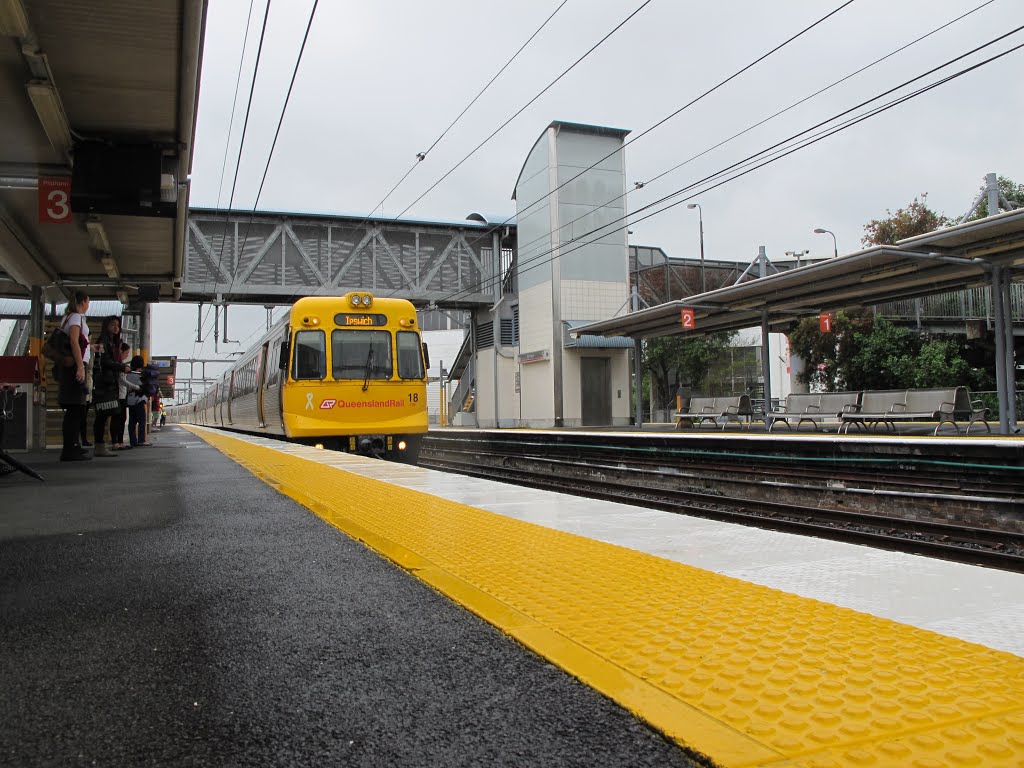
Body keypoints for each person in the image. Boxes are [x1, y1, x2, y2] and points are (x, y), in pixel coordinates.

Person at [55, 290, 91, 462]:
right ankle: (69, 449)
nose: (89, 305)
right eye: (88, 301)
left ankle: (73, 446)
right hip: (74, 367)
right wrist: (80, 367)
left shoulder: (68, 317)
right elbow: (74, 341)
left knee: (77, 409)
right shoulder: (76, 317)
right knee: (75, 409)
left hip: (73, 366)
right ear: (82, 301)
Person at [91, 316, 128, 457]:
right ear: (106, 325)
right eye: (112, 324)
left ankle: (100, 445)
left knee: (107, 414)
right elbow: (105, 361)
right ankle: (99, 445)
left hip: (110, 381)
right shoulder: (103, 341)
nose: (116, 327)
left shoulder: (113, 342)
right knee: (102, 414)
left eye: (118, 325)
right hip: (104, 383)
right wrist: (121, 366)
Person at [125, 356, 149, 447]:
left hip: (130, 402)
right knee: (142, 421)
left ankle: (133, 441)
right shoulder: (139, 375)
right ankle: (141, 440)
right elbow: (144, 387)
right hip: (139, 401)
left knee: (132, 422)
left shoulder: (128, 375)